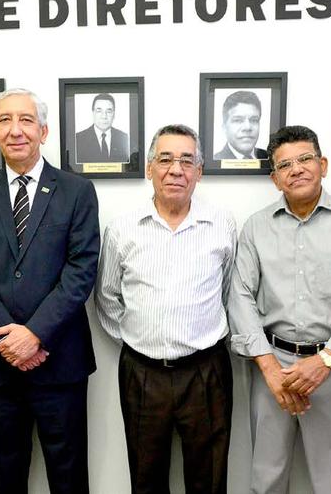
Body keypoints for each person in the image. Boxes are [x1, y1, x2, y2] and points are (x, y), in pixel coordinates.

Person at [228, 125, 331, 494]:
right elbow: (239, 297)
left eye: (305, 159)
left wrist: (325, 361)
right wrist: (269, 369)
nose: (296, 169)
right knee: (266, 479)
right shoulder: (256, 228)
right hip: (272, 370)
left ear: (323, 164)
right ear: (275, 178)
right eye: (285, 165)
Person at [0, 88, 100, 494]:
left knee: (68, 476)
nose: (15, 130)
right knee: (7, 474)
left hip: (60, 361)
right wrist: (9, 336)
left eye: (25, 120)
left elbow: (81, 269)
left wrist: (34, 334)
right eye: (4, 120)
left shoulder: (76, 191)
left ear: (44, 130)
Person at [95, 124, 237, 494]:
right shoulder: (123, 229)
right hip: (142, 373)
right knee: (145, 478)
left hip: (206, 371)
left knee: (208, 479)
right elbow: (107, 298)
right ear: (149, 168)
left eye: (187, 160)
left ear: (200, 172)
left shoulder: (221, 225)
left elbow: (228, 294)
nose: (176, 169)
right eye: (166, 159)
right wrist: (140, 339)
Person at [74, 93, 131, 163]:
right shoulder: (78, 139)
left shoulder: (124, 137)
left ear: (114, 114)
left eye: (109, 111)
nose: (104, 116)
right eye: (99, 111)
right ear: (93, 112)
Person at [214, 90, 266, 160]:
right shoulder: (216, 160)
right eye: (238, 120)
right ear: (224, 128)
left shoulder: (268, 157)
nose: (247, 127)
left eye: (254, 120)